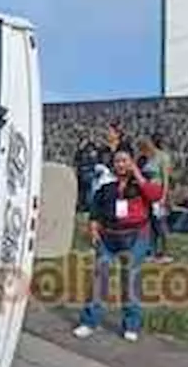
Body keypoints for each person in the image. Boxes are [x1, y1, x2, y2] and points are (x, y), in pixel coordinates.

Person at [73, 149, 164, 343]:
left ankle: (131, 325)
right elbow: (96, 209)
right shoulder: (107, 186)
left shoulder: (142, 183)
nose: (120, 165)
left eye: (124, 161)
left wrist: (137, 174)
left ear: (131, 162)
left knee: (130, 278)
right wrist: (93, 228)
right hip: (109, 237)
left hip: (135, 236)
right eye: (117, 161)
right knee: (100, 277)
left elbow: (155, 195)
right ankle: (89, 321)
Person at [136, 133, 175, 263]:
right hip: (146, 195)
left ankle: (165, 252)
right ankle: (151, 251)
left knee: (161, 224)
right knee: (150, 224)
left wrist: (164, 197)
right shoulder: (145, 158)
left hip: (158, 195)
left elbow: (165, 179)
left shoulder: (163, 158)